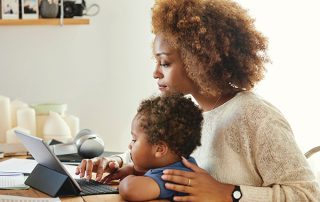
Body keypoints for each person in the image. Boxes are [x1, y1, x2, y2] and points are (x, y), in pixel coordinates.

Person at [76, 0, 320, 201]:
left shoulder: (254, 116)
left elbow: (308, 194)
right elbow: (162, 152)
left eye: (165, 63)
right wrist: (116, 162)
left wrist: (230, 194)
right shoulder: (191, 112)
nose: (156, 73)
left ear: (200, 61)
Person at [117, 94, 203, 200]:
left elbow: (130, 190)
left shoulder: (174, 176)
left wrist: (127, 179)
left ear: (159, 149)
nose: (130, 145)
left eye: (134, 140)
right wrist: (132, 169)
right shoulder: (183, 164)